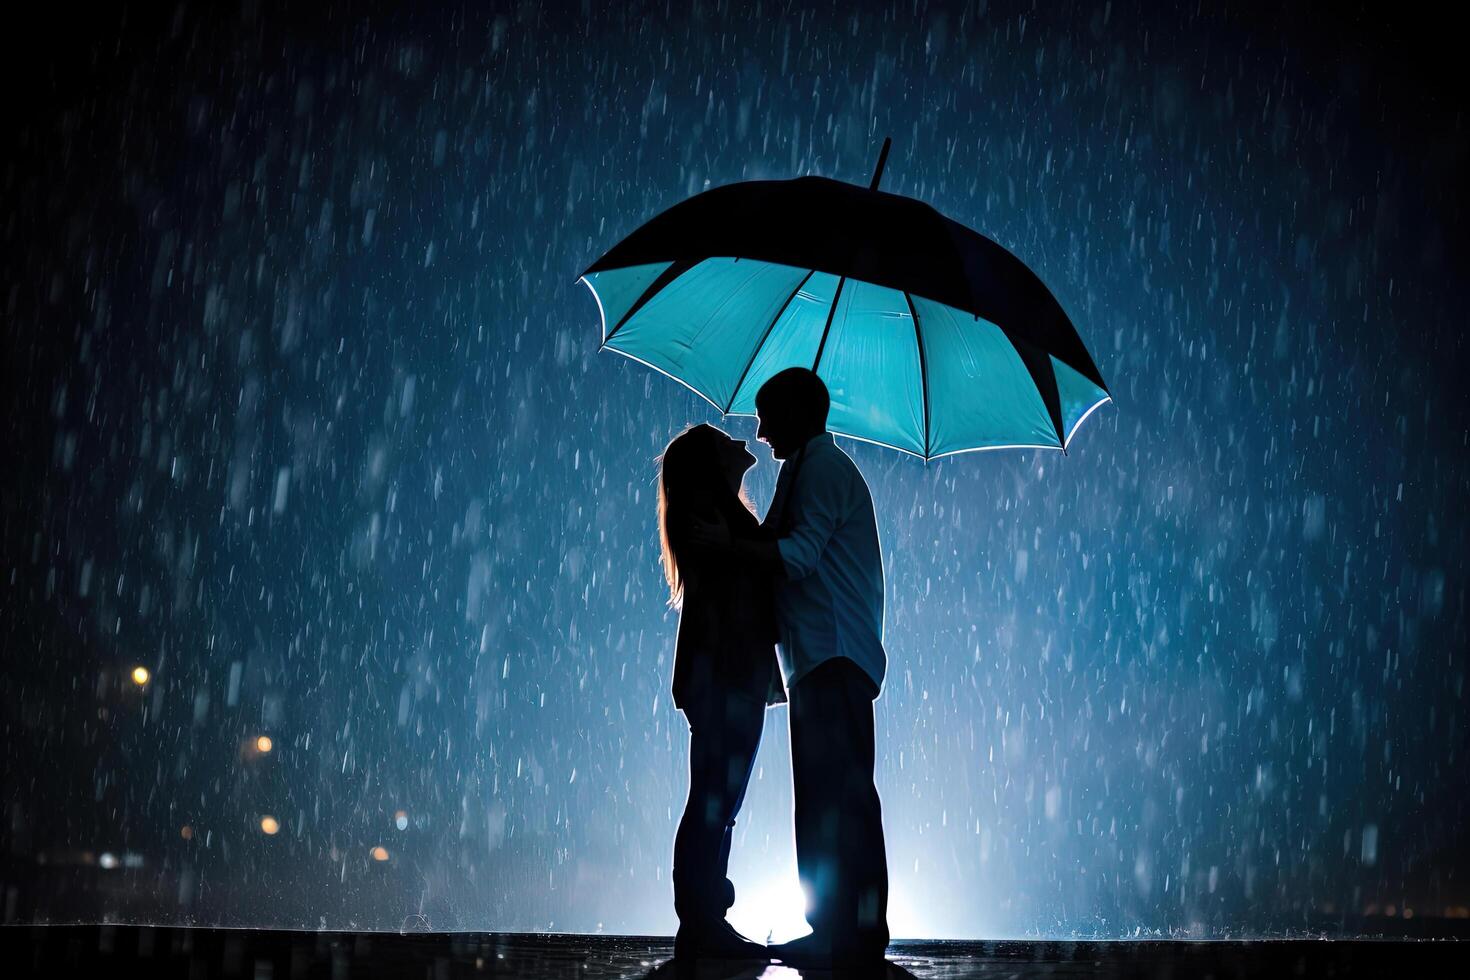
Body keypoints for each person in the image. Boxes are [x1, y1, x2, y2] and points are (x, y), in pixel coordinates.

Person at [692, 368, 890, 971]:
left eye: (767, 415)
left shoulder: (824, 471)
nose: (759, 429)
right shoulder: (803, 470)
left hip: (832, 656)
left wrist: (728, 546)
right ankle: (837, 930)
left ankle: (854, 933)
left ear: (796, 416)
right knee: (826, 797)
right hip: (816, 659)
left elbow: (798, 557)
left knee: (840, 797)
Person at [656, 423, 786, 961]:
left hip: (724, 675)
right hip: (726, 675)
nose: (742, 442)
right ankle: (703, 919)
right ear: (711, 466)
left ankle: (706, 914)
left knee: (716, 800)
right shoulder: (715, 514)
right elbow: (767, 565)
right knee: (715, 801)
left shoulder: (714, 514)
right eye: (724, 443)